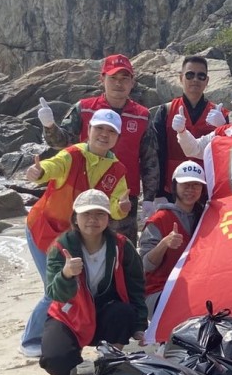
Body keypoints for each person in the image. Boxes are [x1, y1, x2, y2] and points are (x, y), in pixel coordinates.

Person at [20, 109, 131, 357]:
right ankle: (31, 340)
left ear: (118, 137)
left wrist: (122, 209)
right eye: (99, 129)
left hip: (74, 237)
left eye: (111, 131)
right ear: (89, 130)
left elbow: (115, 205)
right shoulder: (72, 155)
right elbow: (52, 166)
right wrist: (39, 172)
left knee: (72, 287)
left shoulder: (117, 170)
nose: (104, 135)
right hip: (44, 229)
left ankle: (67, 332)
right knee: (55, 288)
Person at [38, 54, 159, 242]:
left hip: (124, 196)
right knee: (82, 248)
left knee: (122, 249)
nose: (119, 84)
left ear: (132, 82)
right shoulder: (84, 108)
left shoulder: (143, 115)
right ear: (102, 79)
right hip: (84, 193)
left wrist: (150, 198)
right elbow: (61, 143)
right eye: (113, 78)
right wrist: (49, 126)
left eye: (124, 78)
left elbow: (149, 159)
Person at [41, 189, 147, 375]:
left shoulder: (122, 245)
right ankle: (70, 359)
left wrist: (140, 325)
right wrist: (66, 275)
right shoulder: (60, 247)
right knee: (56, 363)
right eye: (86, 214)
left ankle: (110, 359)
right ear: (75, 217)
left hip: (106, 311)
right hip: (70, 314)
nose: (93, 220)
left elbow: (136, 287)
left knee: (124, 312)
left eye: (99, 214)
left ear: (108, 218)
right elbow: (54, 293)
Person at [149, 56, 229, 193]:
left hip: (206, 187)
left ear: (207, 81)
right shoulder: (166, 111)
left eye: (201, 76)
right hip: (172, 187)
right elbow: (156, 153)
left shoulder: (220, 114)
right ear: (181, 78)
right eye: (190, 75)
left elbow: (228, 154)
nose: (195, 80)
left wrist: (224, 128)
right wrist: (157, 192)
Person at [139, 160, 206, 315]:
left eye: (196, 185)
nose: (190, 190)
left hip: (196, 287)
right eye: (185, 185)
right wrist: (164, 244)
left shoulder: (206, 217)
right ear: (174, 186)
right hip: (160, 291)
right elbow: (145, 266)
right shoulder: (159, 220)